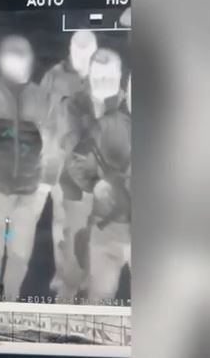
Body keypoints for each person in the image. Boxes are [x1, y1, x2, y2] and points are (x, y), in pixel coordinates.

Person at [0, 35, 64, 298]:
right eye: (11, 60)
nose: (16, 66)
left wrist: (45, 184)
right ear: (2, 62)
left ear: (29, 62)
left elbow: (53, 144)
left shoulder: (44, 98)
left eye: (21, 60)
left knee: (19, 253)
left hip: (29, 190)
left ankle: (10, 300)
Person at [62, 49, 131, 300]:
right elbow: (71, 146)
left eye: (109, 78)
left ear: (120, 75)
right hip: (81, 193)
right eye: (98, 77)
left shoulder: (130, 101)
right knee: (74, 262)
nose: (103, 83)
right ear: (89, 75)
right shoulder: (73, 104)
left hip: (120, 205)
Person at [39, 30, 99, 296]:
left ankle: (87, 277)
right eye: (78, 52)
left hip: (92, 166)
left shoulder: (103, 76)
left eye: (88, 54)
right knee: (61, 223)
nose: (82, 59)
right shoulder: (54, 78)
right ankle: (63, 276)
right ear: (71, 50)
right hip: (61, 163)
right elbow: (42, 121)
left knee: (91, 224)